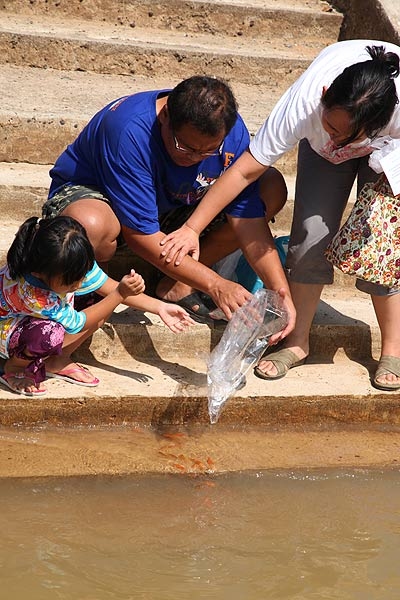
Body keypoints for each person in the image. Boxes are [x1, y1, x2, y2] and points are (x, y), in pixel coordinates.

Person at [159, 40, 400, 391]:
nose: (335, 140)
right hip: (324, 156)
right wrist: (192, 227)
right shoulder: (305, 103)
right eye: (329, 126)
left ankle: (392, 349)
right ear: (323, 94)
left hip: (389, 154)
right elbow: (244, 172)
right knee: (308, 238)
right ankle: (297, 340)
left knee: (383, 246)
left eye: (344, 135)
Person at [41, 75, 295, 339]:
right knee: (90, 225)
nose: (195, 158)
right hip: (108, 205)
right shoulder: (128, 130)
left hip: (174, 207)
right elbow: (141, 237)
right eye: (184, 147)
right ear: (165, 116)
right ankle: (91, 293)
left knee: (270, 187)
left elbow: (247, 219)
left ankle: (179, 282)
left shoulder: (228, 131)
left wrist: (281, 292)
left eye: (208, 151)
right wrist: (215, 284)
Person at [0, 216, 194, 396]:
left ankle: (56, 361)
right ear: (40, 273)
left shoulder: (67, 262)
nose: (77, 284)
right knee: (49, 334)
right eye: (70, 282)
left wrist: (159, 307)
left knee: (100, 298)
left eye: (81, 276)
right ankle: (15, 367)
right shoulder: (32, 295)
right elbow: (79, 322)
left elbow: (106, 286)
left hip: (35, 319)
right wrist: (120, 294)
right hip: (8, 329)